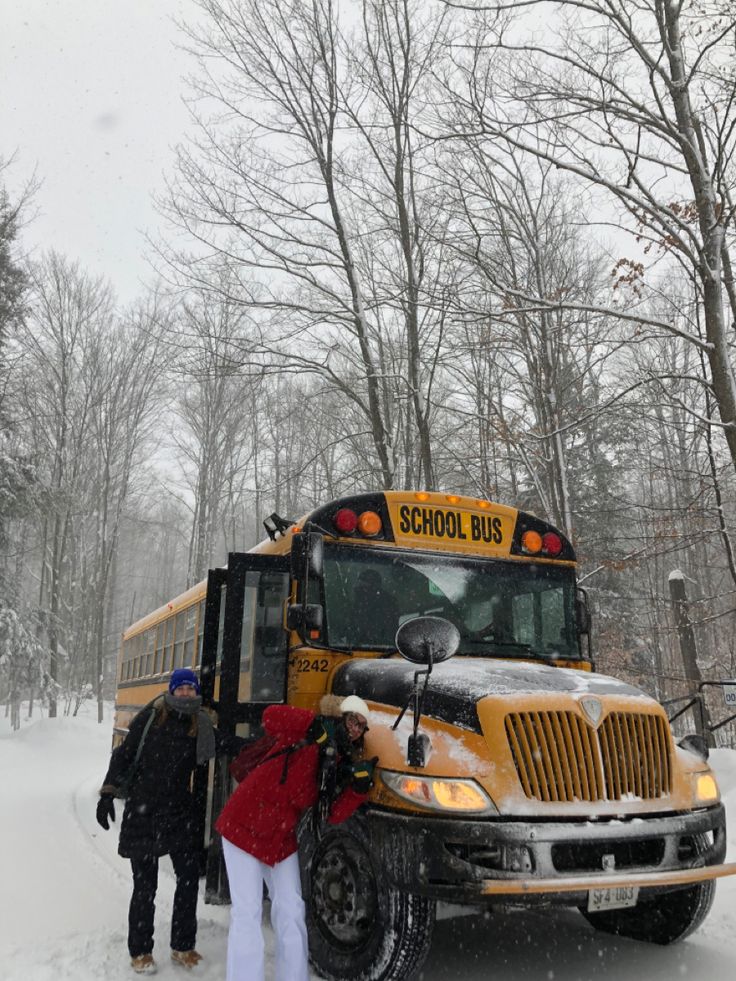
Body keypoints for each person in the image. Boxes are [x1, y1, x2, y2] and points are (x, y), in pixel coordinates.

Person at [215, 693, 377, 981]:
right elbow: (270, 716)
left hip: (280, 837)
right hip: (243, 826)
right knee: (248, 911)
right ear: (341, 716)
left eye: (362, 726)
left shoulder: (338, 763)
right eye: (353, 720)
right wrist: (311, 723)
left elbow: (332, 814)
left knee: (291, 909)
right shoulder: (306, 728)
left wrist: (357, 789)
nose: (355, 729)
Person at [97, 667, 239, 975]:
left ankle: (183, 946)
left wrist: (274, 741)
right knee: (145, 885)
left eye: (190, 688)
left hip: (177, 812)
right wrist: (107, 793)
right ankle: (140, 951)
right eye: (181, 688)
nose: (185, 693)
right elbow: (123, 755)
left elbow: (229, 744)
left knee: (188, 880)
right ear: (172, 690)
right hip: (143, 812)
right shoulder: (149, 719)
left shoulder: (198, 726)